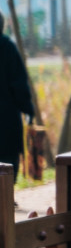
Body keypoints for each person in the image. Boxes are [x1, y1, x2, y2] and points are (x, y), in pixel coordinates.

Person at [0, 14, 35, 174]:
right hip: (7, 124)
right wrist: (28, 111)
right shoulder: (8, 48)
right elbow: (19, 85)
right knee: (7, 172)